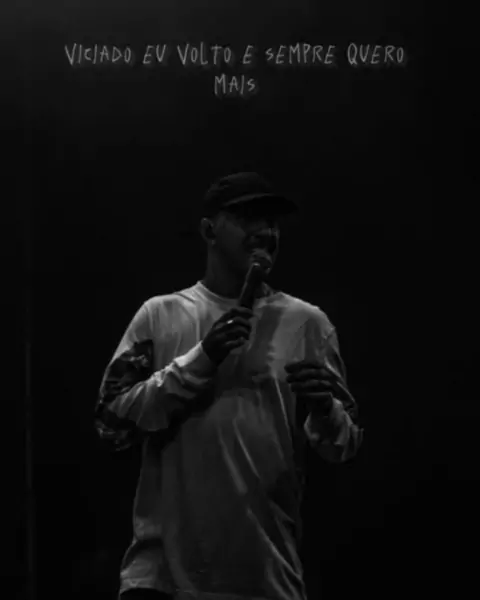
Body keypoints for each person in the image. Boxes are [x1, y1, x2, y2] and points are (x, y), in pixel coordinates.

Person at [95, 172, 364, 600]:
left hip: (265, 576)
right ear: (208, 231)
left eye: (271, 221)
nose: (265, 232)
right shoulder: (160, 315)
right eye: (247, 217)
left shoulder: (308, 324)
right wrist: (203, 357)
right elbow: (111, 424)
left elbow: (344, 446)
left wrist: (324, 410)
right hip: (163, 581)